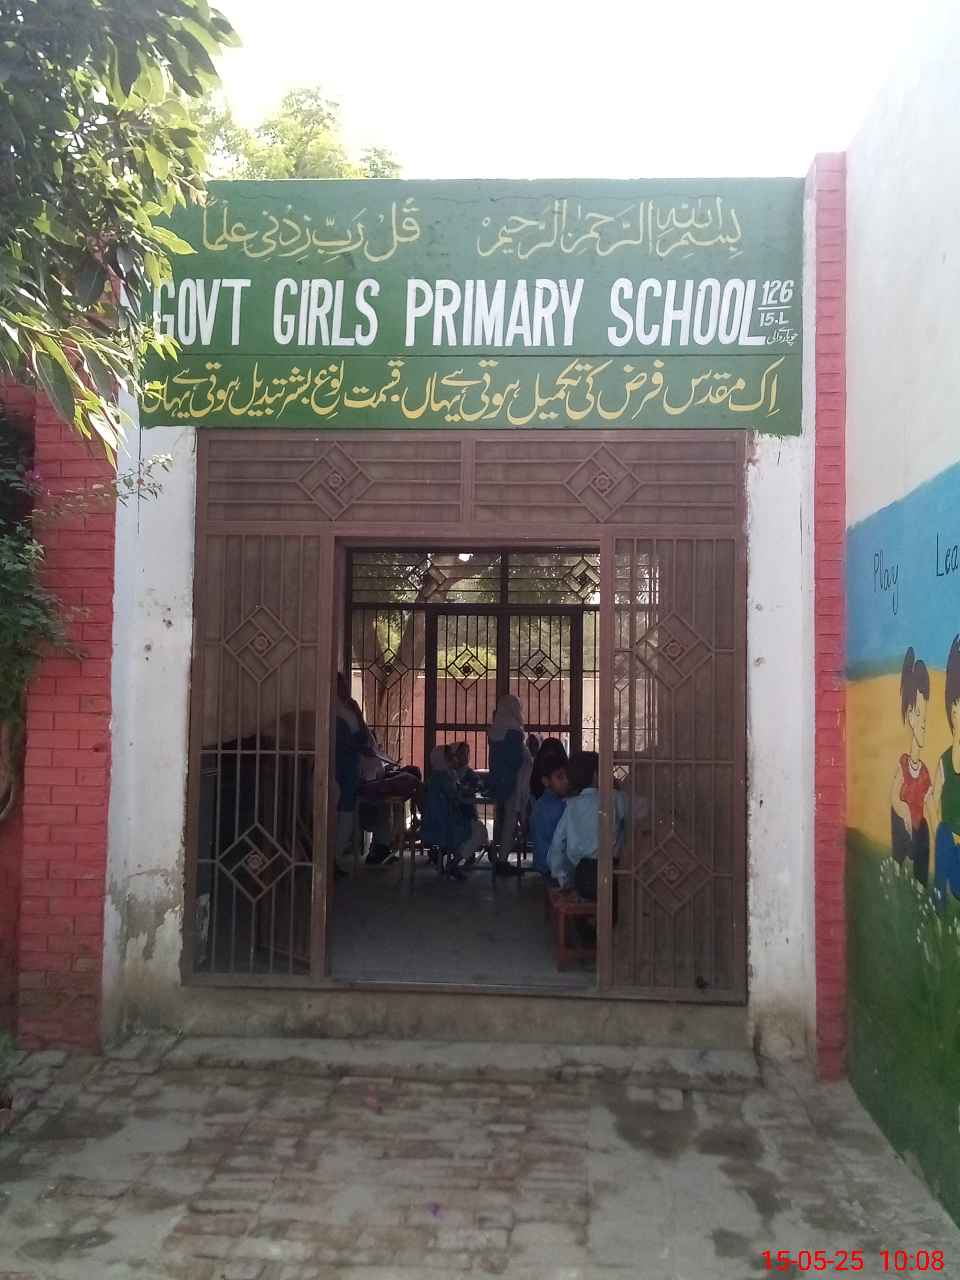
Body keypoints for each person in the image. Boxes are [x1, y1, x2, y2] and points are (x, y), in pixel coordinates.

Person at [548, 751, 625, 900]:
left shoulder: (571, 805)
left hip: (581, 878)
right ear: (596, 775)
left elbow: (557, 844)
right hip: (613, 874)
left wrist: (561, 877)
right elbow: (642, 810)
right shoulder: (615, 798)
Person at [890, 647, 932, 884]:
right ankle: (897, 864)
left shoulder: (924, 772)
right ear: (908, 714)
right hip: (903, 827)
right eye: (917, 714)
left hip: (917, 830)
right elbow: (893, 796)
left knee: (923, 829)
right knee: (897, 814)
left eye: (924, 716)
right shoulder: (904, 764)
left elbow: (930, 802)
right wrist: (903, 809)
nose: (922, 723)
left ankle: (920, 880)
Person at [421, 746, 487, 880]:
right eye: (450, 756)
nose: (454, 758)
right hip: (445, 824)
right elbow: (456, 795)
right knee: (480, 831)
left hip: (438, 822)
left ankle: (453, 861)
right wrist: (466, 790)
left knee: (477, 828)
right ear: (442, 759)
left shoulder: (439, 776)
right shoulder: (443, 777)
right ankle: (453, 864)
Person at [488, 694, 532, 874]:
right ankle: (503, 860)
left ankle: (495, 851)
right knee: (510, 821)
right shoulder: (514, 731)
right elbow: (515, 761)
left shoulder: (495, 730)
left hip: (497, 780)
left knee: (500, 819)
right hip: (513, 782)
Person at [931, 635, 960, 904]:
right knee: (941, 833)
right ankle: (938, 895)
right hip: (951, 855)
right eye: (957, 704)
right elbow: (932, 800)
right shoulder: (944, 761)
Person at [530, 756, 569, 875]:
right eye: (560, 777)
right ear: (546, 781)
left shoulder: (541, 803)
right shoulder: (557, 806)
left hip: (542, 862)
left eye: (567, 776)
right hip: (553, 865)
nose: (566, 781)